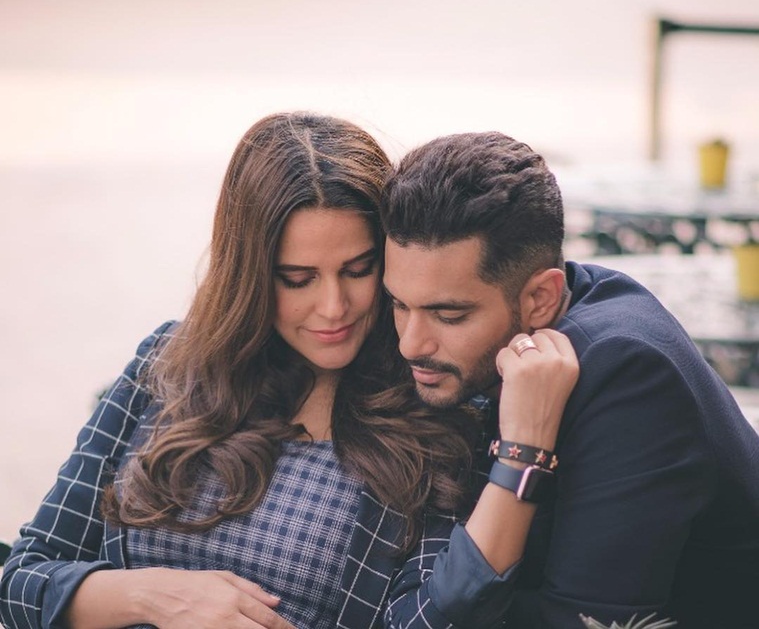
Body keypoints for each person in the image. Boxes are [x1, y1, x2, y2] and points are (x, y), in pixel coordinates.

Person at [0, 113, 578, 629]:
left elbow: (437, 619)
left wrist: (523, 457)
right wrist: (153, 597)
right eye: (296, 279)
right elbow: (22, 579)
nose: (333, 308)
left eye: (358, 270)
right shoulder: (169, 363)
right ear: (248, 273)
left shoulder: (429, 400)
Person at [379, 130, 759, 629]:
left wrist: (523, 457)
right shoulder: (496, 340)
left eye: (448, 315)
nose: (411, 344)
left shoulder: (628, 378)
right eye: (399, 305)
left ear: (539, 298)